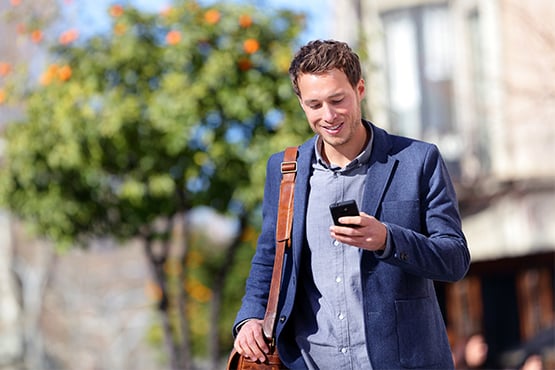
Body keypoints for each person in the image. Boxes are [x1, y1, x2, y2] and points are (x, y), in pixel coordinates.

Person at [232, 39, 470, 369]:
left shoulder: (419, 160)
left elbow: (454, 259)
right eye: (314, 105)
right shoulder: (285, 170)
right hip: (310, 361)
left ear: (359, 89)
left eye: (337, 100)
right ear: (301, 103)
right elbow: (270, 256)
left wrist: (388, 240)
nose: (328, 116)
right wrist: (250, 317)